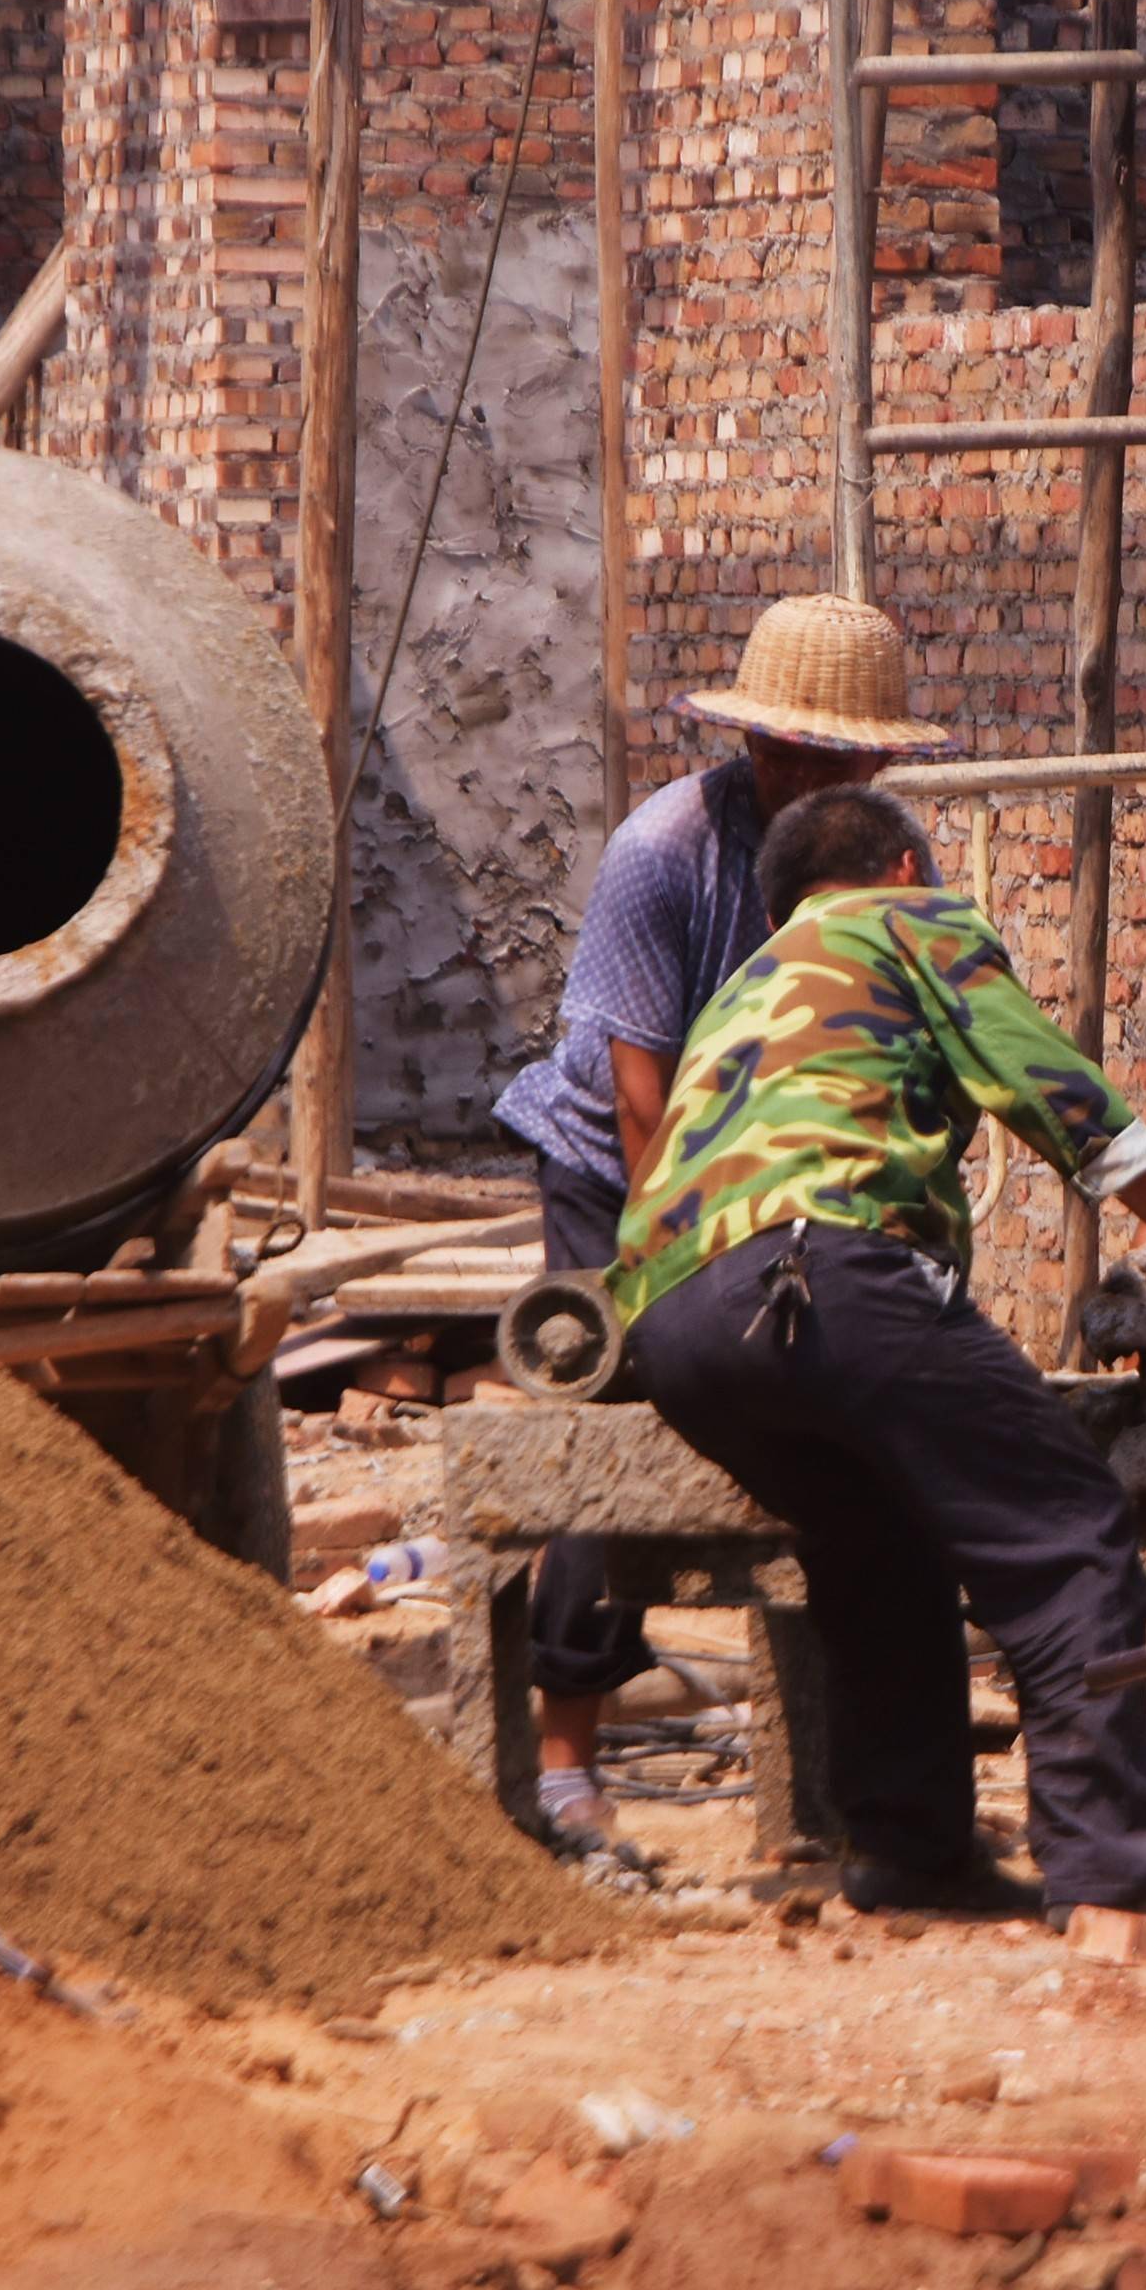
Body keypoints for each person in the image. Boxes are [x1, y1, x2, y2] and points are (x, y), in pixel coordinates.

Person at [608, 784, 1146, 1922]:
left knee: (876, 1548)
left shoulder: (741, 989)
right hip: (817, 1267)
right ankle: (1110, 1873)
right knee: (1066, 1529)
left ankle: (909, 1853)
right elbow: (1044, 1082)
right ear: (899, 868)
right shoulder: (907, 924)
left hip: (670, 1318)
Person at [487, 593, 944, 1861]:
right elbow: (643, 1099)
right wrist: (676, 1269)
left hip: (787, 1168)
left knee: (825, 1408)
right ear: (748, 745)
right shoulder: (664, 849)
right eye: (780, 751)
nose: (802, 776)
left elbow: (907, 1045)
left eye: (830, 757)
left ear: (872, 763)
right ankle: (568, 1757)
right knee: (609, 1414)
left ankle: (832, 1765)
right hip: (620, 1162)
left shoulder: (894, 866)